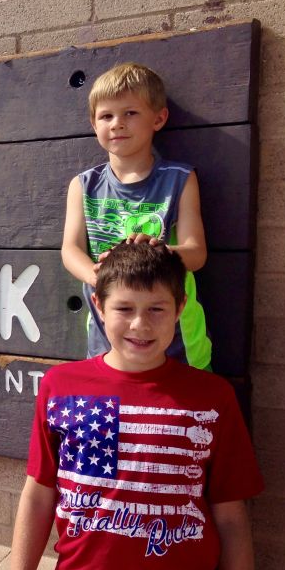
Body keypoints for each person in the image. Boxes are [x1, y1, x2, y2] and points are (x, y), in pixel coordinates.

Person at [3, 242, 263, 570]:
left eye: (156, 309)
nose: (140, 325)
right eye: (124, 308)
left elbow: (232, 520)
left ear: (179, 308)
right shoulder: (61, 387)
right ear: (98, 306)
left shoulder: (212, 398)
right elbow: (37, 496)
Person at [61, 62, 212, 370]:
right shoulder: (84, 185)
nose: (117, 124)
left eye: (130, 113)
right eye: (106, 116)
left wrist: (160, 251)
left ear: (158, 118)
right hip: (107, 338)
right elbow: (70, 249)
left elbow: (196, 253)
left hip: (176, 342)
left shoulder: (179, 179)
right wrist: (99, 277)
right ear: (94, 124)